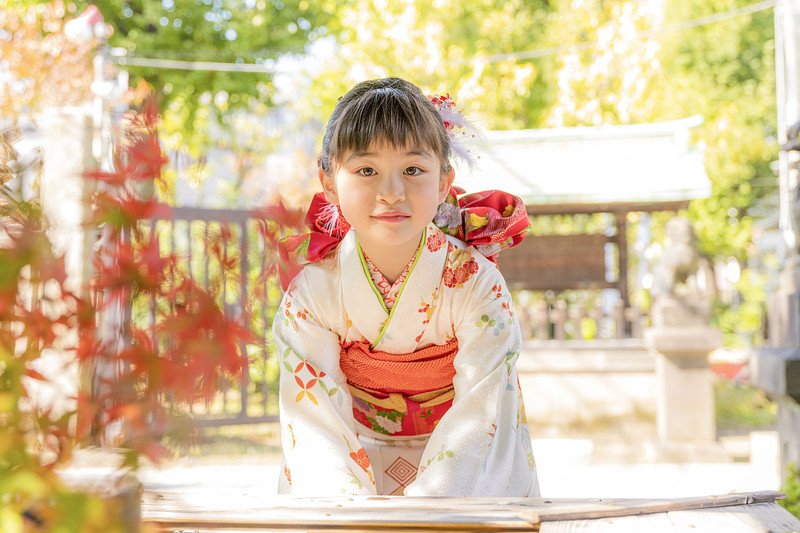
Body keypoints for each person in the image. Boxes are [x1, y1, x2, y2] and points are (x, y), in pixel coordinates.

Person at [273, 77, 540, 497]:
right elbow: (314, 422)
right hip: (352, 451)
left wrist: (431, 506)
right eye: (366, 170)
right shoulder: (311, 293)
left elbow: (481, 407)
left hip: (462, 471)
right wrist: (347, 511)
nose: (391, 192)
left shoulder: (477, 283)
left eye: (413, 170)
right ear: (328, 182)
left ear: (442, 181)